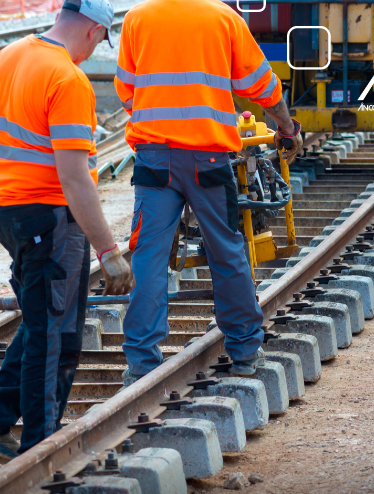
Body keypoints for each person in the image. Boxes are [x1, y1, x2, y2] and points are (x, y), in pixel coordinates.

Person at [0, 0, 135, 459]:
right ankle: (41, 447)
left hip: (6, 213)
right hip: (49, 219)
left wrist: (15, 175)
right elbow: (75, 177)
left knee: (41, 322)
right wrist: (108, 250)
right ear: (96, 32)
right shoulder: (68, 78)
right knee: (57, 334)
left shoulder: (8, 56)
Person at [115, 0, 303, 383]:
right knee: (225, 247)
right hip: (208, 159)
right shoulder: (223, 17)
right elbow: (262, 84)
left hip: (155, 160)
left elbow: (126, 90)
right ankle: (246, 350)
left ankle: (141, 364)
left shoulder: (137, 18)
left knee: (148, 255)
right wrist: (286, 125)